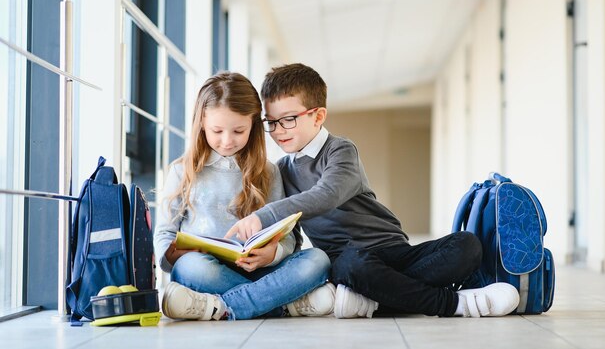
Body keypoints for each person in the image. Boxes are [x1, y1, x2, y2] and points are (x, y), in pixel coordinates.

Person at [225, 63, 520, 319]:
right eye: (272, 122)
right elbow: (293, 232)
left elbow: (327, 194)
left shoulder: (340, 150)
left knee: (466, 246)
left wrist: (265, 214)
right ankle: (453, 303)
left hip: (393, 251)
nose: (279, 130)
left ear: (318, 116)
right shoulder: (282, 170)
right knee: (352, 267)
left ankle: (374, 300)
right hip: (349, 263)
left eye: (289, 119)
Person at [154, 71, 334, 321]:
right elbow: (164, 234)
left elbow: (289, 236)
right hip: (209, 272)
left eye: (239, 131)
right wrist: (175, 254)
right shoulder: (182, 171)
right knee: (188, 267)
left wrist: (273, 254)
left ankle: (218, 306)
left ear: (253, 126)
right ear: (202, 124)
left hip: (262, 272)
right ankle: (283, 305)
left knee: (318, 259)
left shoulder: (269, 172)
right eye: (217, 131)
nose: (227, 141)